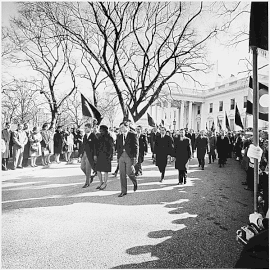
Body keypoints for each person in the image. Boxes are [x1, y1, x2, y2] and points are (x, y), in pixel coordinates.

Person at [115, 121, 138, 197]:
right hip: (121, 156)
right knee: (122, 174)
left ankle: (134, 182)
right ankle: (123, 191)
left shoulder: (132, 135)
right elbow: (118, 147)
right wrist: (118, 157)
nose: (121, 129)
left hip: (129, 156)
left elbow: (136, 147)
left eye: (122, 127)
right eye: (120, 127)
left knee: (129, 172)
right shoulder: (119, 136)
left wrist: (135, 157)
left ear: (127, 127)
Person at [95, 125, 114, 190]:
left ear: (105, 130)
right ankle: (101, 182)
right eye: (100, 130)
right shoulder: (99, 137)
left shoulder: (109, 137)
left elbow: (111, 148)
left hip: (106, 155)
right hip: (99, 155)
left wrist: (110, 156)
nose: (100, 131)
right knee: (98, 170)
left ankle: (105, 183)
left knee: (106, 170)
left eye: (101, 130)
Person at [80, 123, 97, 188]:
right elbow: (83, 145)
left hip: (90, 154)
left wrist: (95, 155)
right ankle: (90, 177)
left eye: (86, 128)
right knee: (82, 167)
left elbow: (95, 146)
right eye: (84, 128)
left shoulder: (93, 136)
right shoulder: (84, 136)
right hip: (84, 153)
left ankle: (87, 182)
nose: (85, 129)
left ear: (90, 128)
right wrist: (81, 153)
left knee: (88, 168)